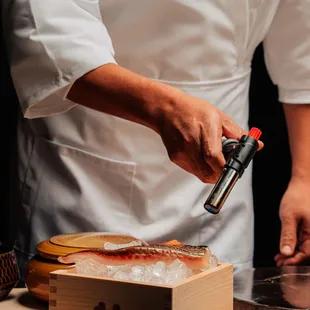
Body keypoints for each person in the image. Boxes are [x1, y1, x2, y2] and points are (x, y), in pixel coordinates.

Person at [1, 1, 309, 281]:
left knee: (211, 291)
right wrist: (163, 108)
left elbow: (302, 51)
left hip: (220, 184)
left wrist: (305, 178)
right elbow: (48, 32)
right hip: (85, 162)